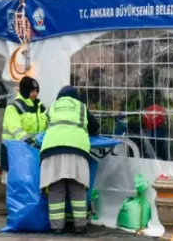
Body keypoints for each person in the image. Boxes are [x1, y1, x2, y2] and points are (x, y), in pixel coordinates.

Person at [40, 86, 100, 235]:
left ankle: (57, 227)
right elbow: (95, 127)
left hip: (52, 149)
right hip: (77, 149)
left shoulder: (51, 107)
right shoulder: (80, 107)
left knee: (55, 188)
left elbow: (42, 128)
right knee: (78, 186)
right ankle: (80, 225)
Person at [1, 77, 47, 184]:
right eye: (32, 91)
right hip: (14, 155)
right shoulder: (13, 108)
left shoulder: (41, 108)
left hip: (33, 155)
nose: (35, 94)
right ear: (25, 91)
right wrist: (30, 143)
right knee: (15, 189)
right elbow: (17, 131)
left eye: (36, 91)